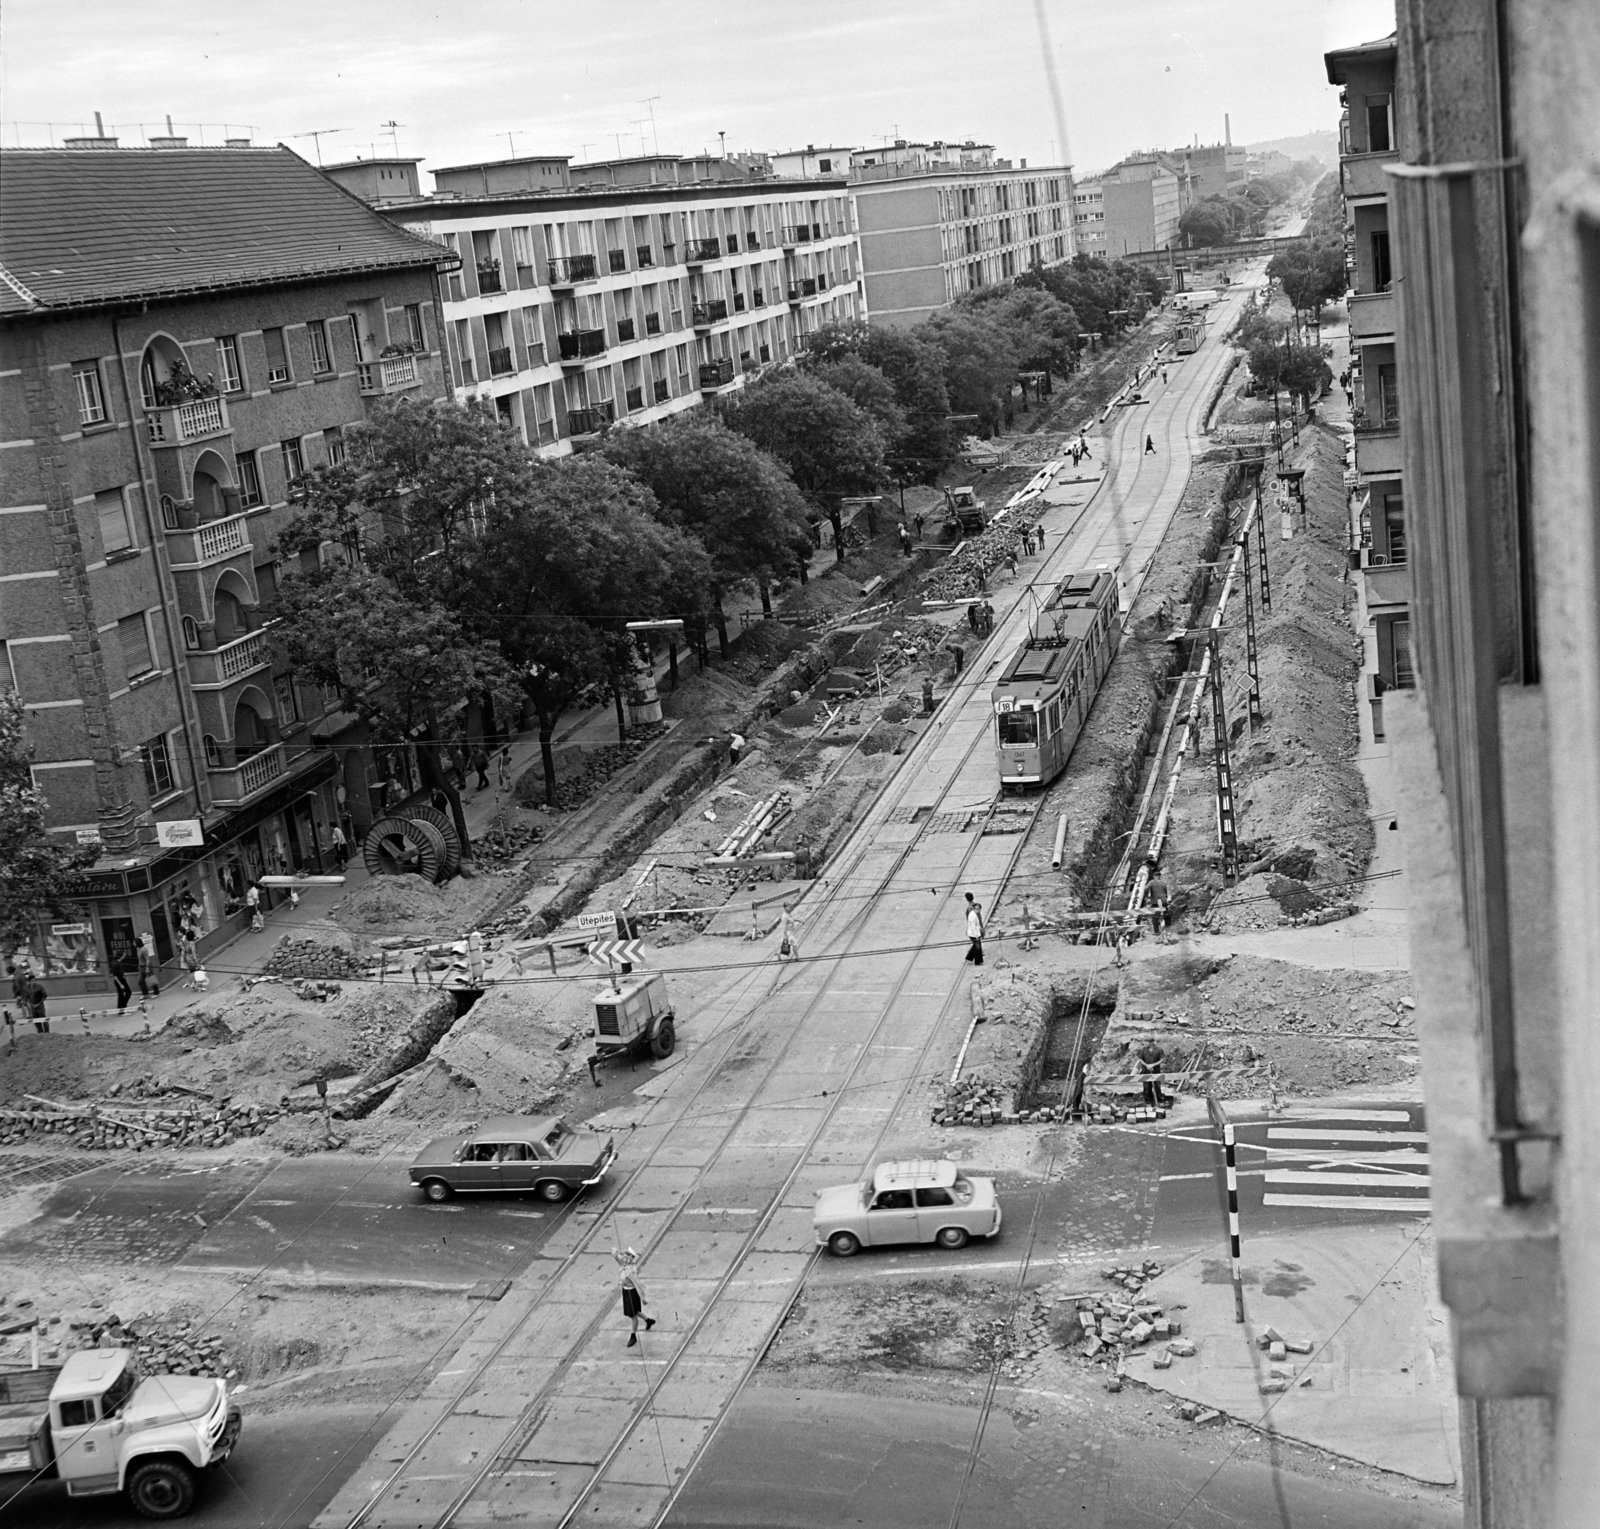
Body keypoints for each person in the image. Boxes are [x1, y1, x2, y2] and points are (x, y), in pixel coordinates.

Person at [1137, 1039, 1169, 1107]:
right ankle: (1148, 1102)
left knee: (1157, 1086)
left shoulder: (1159, 1049)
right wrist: (1146, 1065)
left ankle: (1160, 1101)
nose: (1145, 1043)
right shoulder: (1143, 1049)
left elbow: (1162, 1059)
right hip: (1146, 1071)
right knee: (1146, 1087)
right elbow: (1140, 1059)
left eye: (1146, 1042)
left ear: (1151, 1042)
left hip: (1156, 1072)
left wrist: (1153, 1065)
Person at [963, 892, 985, 966]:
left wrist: (979, 928)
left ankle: (969, 958)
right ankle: (978, 961)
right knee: (977, 946)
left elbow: (976, 923)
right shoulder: (972, 912)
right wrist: (976, 935)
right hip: (974, 933)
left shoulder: (972, 910)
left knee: (976, 945)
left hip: (975, 931)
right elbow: (972, 925)